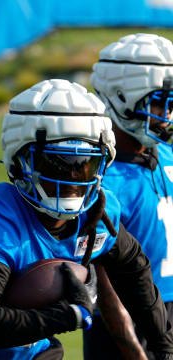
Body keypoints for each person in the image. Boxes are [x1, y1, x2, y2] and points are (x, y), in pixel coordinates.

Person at [0, 78, 173, 360]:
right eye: (57, 163)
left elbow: (133, 270)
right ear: (20, 159)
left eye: (85, 165)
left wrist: (163, 345)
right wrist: (68, 316)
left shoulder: (99, 213)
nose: (73, 179)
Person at [82, 33, 173, 360]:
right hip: (129, 327)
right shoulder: (102, 179)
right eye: (159, 102)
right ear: (121, 98)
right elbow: (104, 285)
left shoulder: (166, 155)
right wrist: (136, 350)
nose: (167, 114)